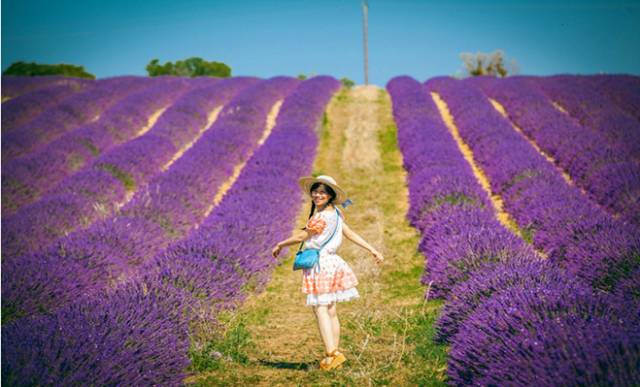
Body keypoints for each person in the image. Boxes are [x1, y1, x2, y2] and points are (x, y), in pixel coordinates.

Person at [272, 175, 384, 371]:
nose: (317, 195)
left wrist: (281, 244)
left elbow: (302, 236)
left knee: (321, 309)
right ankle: (334, 354)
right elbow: (349, 233)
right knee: (331, 310)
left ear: (331, 195)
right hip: (333, 263)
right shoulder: (337, 213)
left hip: (320, 265)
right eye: (315, 191)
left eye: (323, 192)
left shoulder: (321, 217)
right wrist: (372, 249)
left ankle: (332, 354)